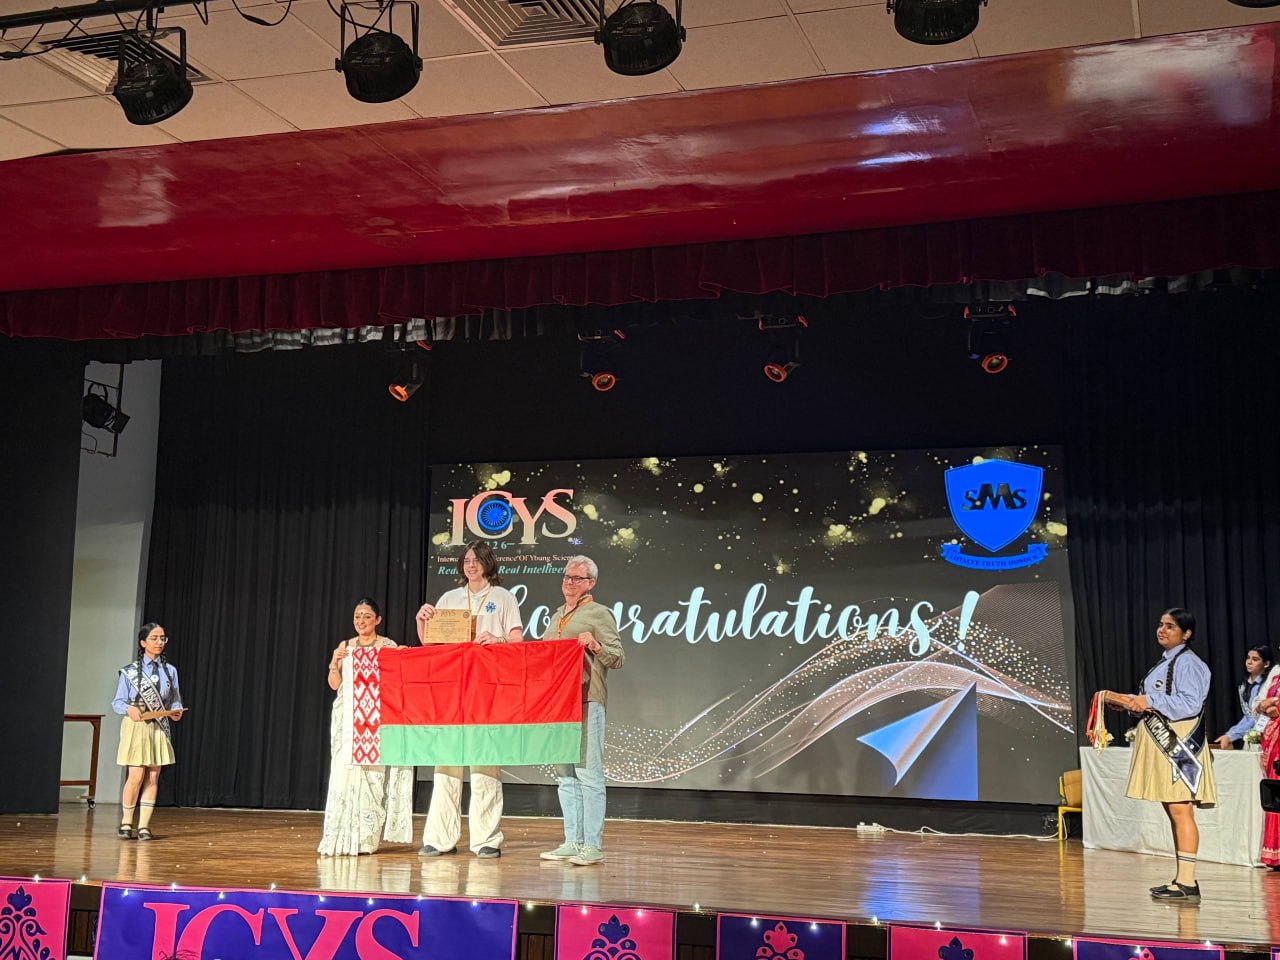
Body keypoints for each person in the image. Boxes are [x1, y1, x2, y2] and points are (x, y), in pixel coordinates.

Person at [415, 542, 523, 859]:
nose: (471, 565)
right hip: (454, 692)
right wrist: (422, 621)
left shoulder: (503, 598)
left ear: (488, 563)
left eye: (476, 560)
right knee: (446, 764)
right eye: (466, 560)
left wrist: (498, 640)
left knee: (484, 765)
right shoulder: (449, 599)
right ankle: (440, 838)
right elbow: (431, 645)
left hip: (488, 691)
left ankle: (486, 839)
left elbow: (517, 641)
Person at [1107, 608, 1216, 902]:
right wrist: (1131, 703)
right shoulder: (1167, 662)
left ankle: (1187, 882)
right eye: (1160, 624)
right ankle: (1182, 879)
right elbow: (1160, 702)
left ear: (1187, 634)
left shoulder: (1188, 663)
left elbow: (1190, 704)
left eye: (1170, 626)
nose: (1162, 630)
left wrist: (1148, 700)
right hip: (1166, 742)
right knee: (1174, 811)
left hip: (1179, 745)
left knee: (1181, 811)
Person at [539, 555, 624, 867]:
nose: (569, 582)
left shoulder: (599, 614)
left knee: (589, 774)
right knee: (565, 776)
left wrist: (595, 646)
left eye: (577, 578)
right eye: (566, 576)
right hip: (558, 705)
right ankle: (572, 842)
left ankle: (592, 846)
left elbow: (618, 657)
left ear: (591, 583)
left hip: (587, 700)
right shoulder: (556, 616)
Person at [318, 598, 414, 857]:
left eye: (367, 616)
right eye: (357, 616)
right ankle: (339, 836)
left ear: (377, 620)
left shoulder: (387, 646)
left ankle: (365, 839)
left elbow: (398, 680)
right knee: (344, 774)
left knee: (372, 777)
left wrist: (402, 657)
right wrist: (334, 662)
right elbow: (335, 684)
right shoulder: (345, 646)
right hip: (348, 719)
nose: (361, 621)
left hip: (374, 720)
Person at [112, 623, 184, 841]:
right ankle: (126, 822)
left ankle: (144, 825)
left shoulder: (170, 671)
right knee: (136, 774)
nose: (159, 642)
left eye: (162, 638)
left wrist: (177, 710)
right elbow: (118, 701)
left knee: (153, 775)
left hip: (158, 725)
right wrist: (129, 709)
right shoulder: (129, 672)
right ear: (143, 643)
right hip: (136, 725)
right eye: (154, 638)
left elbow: (174, 699)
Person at [1213, 644, 1273, 749]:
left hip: (1267, 734)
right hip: (1251, 734)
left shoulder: (1268, 686)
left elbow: (1257, 717)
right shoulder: (1244, 685)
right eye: (1248, 658)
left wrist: (1232, 735)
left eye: (1255, 659)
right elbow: (1248, 715)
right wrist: (1230, 734)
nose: (1249, 662)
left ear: (1266, 664)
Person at [1257, 669, 1280, 867]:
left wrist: (1274, 703)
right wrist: (1266, 705)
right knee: (1274, 796)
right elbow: (1259, 704)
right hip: (1273, 739)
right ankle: (1274, 854)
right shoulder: (1276, 676)